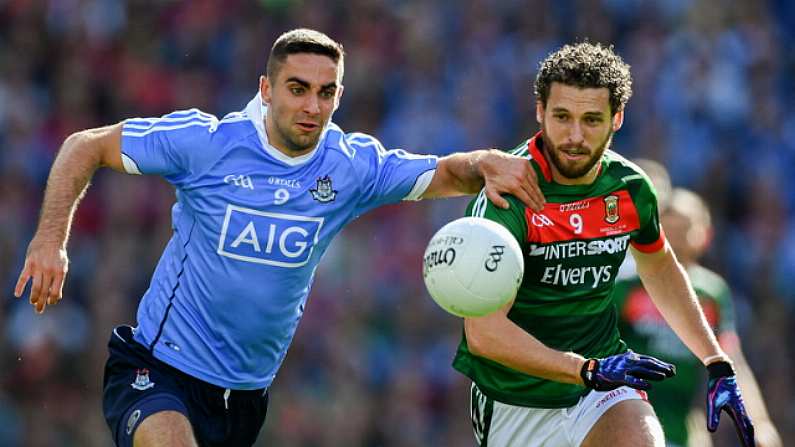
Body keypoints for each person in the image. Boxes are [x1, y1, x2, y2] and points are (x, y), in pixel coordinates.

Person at [12, 28, 546, 447]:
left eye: (325, 92)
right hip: (158, 367)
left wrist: (488, 162)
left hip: (243, 398)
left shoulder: (350, 166)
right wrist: (50, 241)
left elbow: (445, 173)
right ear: (266, 90)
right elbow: (86, 145)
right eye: (297, 89)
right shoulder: (208, 143)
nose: (312, 106)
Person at [453, 42, 755, 447]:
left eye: (592, 119)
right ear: (540, 111)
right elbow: (484, 334)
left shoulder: (630, 188)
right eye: (562, 117)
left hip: (602, 387)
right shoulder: (506, 198)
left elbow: (660, 266)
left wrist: (716, 361)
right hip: (518, 399)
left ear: (617, 119)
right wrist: (585, 368)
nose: (574, 136)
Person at [612, 187, 782, 447]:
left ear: (705, 236)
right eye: (669, 231)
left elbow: (730, 359)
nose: (676, 242)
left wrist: (757, 422)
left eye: (685, 231)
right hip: (628, 421)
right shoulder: (626, 287)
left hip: (680, 428)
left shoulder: (710, 293)